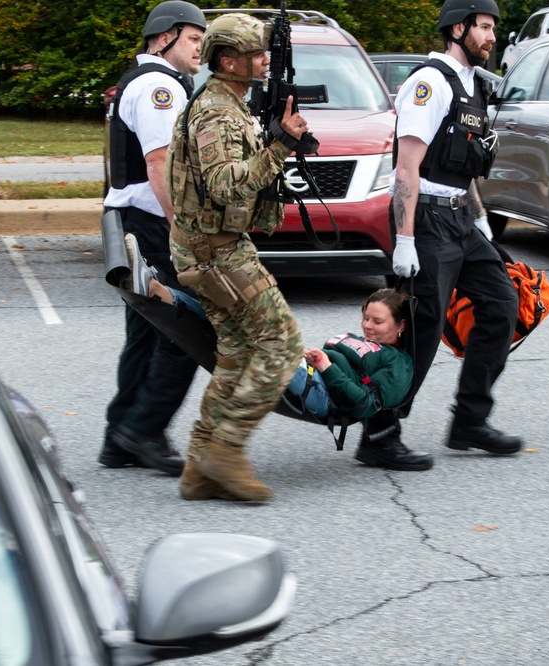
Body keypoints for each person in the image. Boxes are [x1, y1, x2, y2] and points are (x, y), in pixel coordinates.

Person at [356, 0, 522, 471]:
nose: (492, 36)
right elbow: (407, 166)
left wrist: (481, 221)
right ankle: (380, 433)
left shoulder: (473, 88)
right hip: (425, 221)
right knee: (420, 330)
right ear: (457, 28)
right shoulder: (430, 83)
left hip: (459, 219)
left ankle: (469, 420)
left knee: (502, 303)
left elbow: (461, 168)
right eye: (484, 27)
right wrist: (405, 240)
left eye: (493, 28)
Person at [165, 13, 311, 502]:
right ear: (229, 61)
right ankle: (226, 450)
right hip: (217, 253)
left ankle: (199, 467)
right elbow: (226, 184)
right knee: (282, 343)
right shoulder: (217, 113)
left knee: (236, 352)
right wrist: (279, 146)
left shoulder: (228, 103)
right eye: (255, 54)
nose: (264, 61)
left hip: (212, 247)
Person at [99, 0, 206, 476]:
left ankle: (120, 436)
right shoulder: (159, 86)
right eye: (193, 39)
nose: (200, 47)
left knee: (144, 334)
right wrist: (182, 225)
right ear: (165, 38)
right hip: (149, 225)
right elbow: (160, 163)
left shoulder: (144, 81)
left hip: (131, 224)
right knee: (185, 329)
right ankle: (143, 429)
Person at [131, 251, 413, 421]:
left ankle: (181, 284)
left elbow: (364, 405)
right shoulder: (362, 341)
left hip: (323, 395)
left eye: (378, 321)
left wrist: (326, 367)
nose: (367, 326)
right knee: (230, 320)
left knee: (256, 321)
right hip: (307, 370)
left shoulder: (398, 364)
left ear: (400, 326)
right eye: (366, 318)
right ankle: (160, 292)